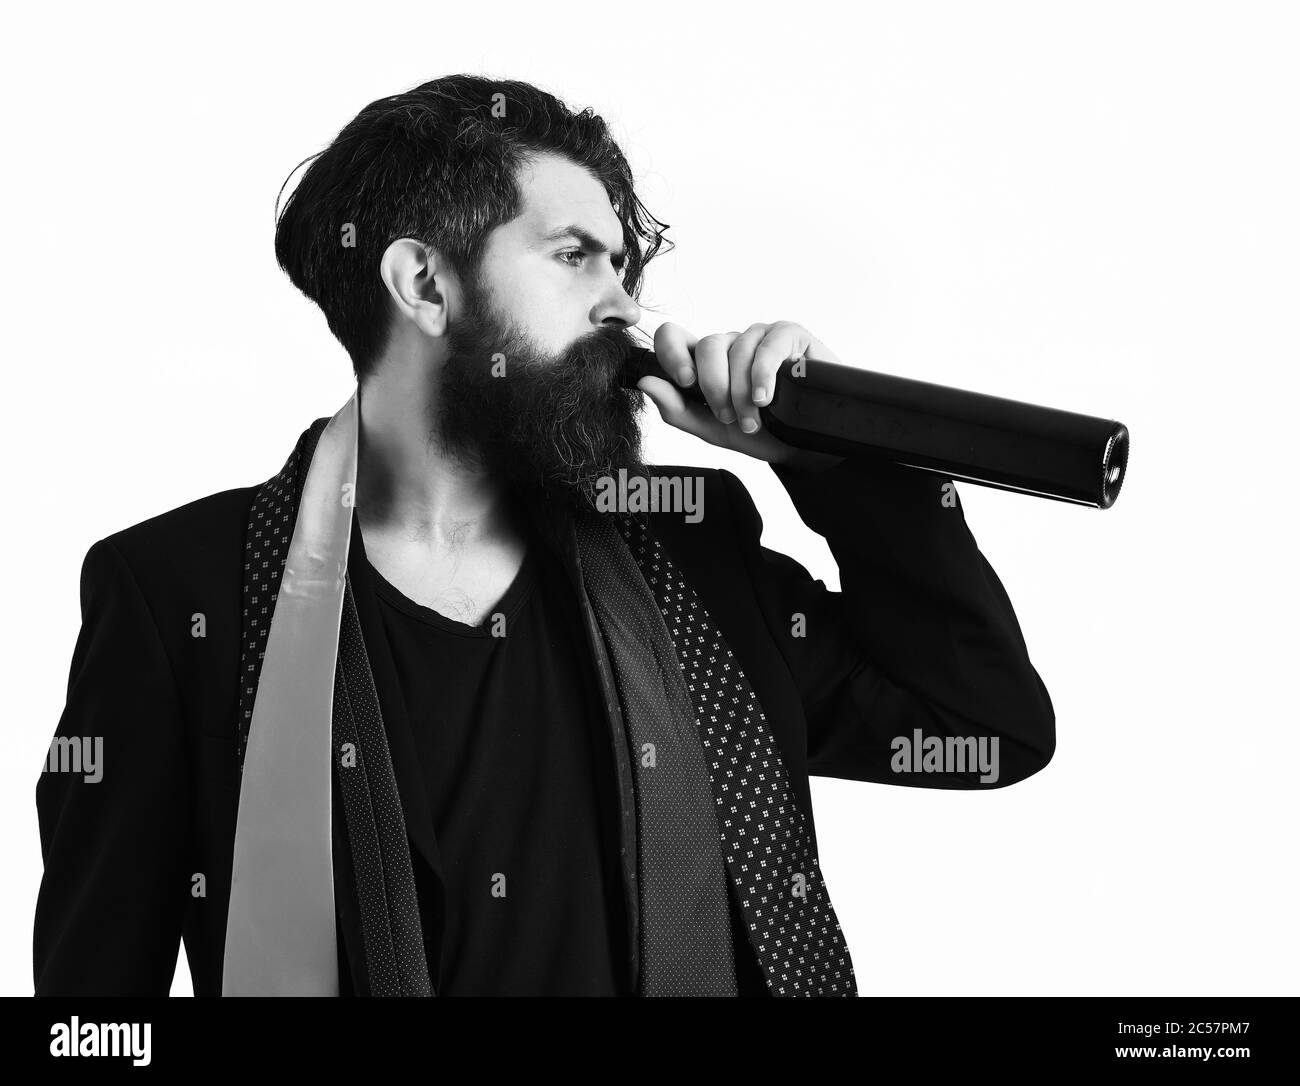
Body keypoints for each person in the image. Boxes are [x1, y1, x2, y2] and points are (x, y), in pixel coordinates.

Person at [33, 74, 1055, 997]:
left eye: (625, 267)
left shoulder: (694, 557)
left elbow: (981, 733)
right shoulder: (180, 596)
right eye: (576, 258)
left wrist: (831, 463)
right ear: (424, 285)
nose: (625, 307)